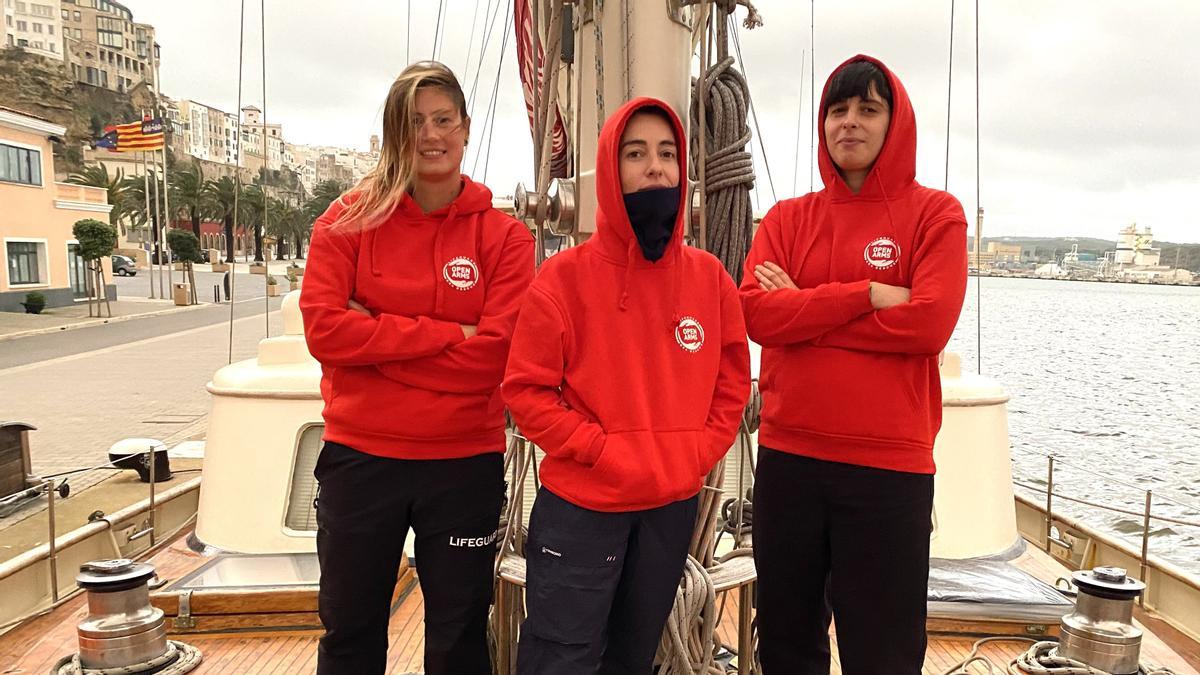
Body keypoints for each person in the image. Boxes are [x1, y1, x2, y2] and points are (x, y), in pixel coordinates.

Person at [299, 61, 534, 675]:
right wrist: (447, 335)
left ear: (464, 127)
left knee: (458, 640)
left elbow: (497, 359)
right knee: (350, 634)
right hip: (360, 461)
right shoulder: (345, 222)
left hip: (462, 467)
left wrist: (373, 342)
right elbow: (325, 330)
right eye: (413, 123)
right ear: (393, 133)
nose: (430, 135)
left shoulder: (506, 239)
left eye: (442, 120)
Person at [502, 97, 751, 674]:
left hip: (668, 509)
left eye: (667, 153)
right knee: (561, 660)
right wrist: (601, 451)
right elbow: (527, 392)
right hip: (583, 508)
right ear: (612, 171)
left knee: (632, 659)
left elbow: (732, 382)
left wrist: (694, 454)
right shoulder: (562, 280)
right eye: (636, 154)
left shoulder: (710, 280)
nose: (655, 167)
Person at [739, 55, 968, 674]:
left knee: (883, 649)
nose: (849, 123)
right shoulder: (787, 218)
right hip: (790, 463)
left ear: (895, 122)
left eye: (868, 108)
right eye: (837, 110)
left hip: (887, 469)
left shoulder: (936, 216)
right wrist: (865, 293)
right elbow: (757, 316)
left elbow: (927, 326)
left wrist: (805, 314)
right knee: (786, 641)